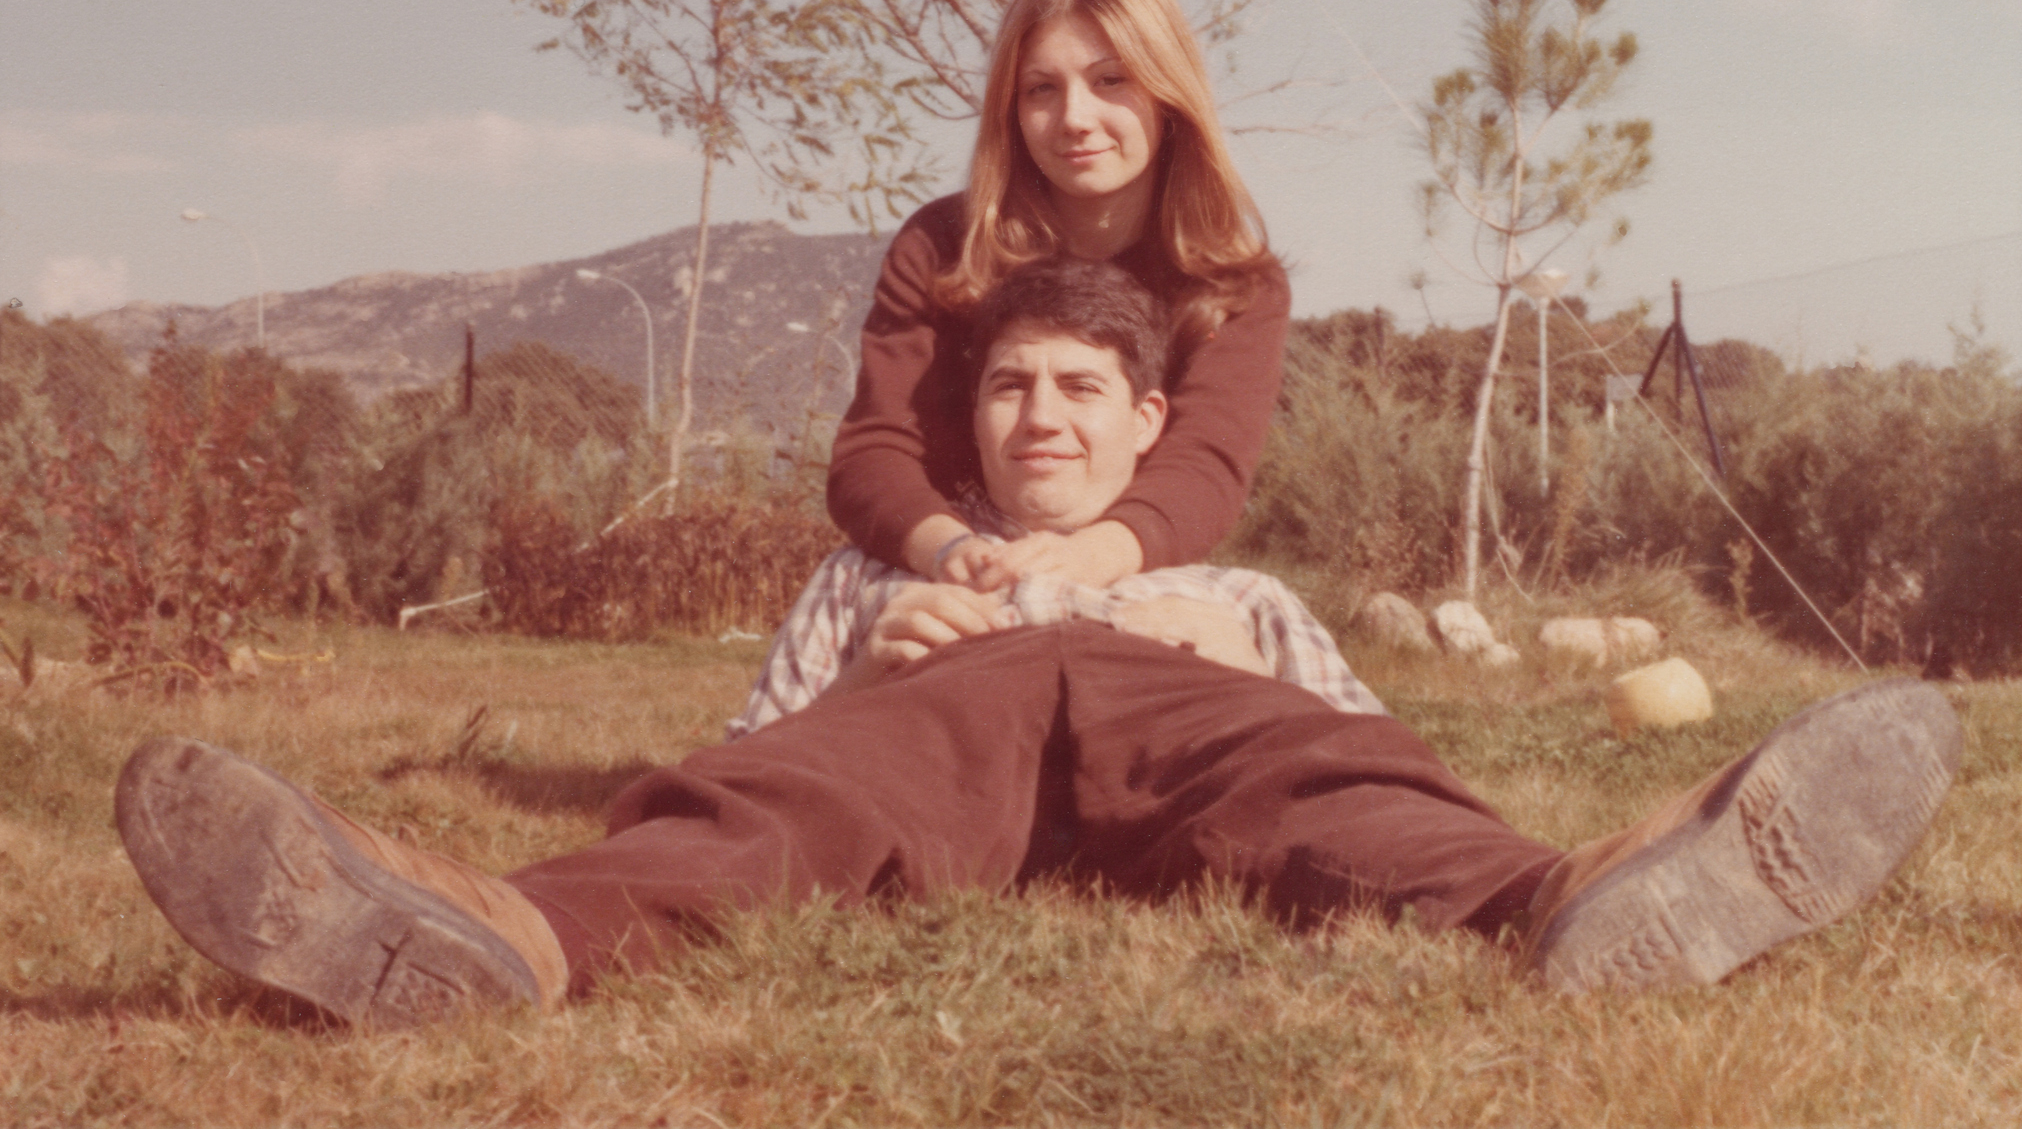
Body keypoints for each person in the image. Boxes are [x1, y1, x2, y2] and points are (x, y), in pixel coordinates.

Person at [116, 260, 1962, 1029]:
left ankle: (1562, 901)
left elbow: (1354, 762)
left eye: (1084, 385)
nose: (1043, 416)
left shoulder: (1235, 591)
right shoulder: (868, 577)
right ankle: (508, 931)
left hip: (1186, 747)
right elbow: (752, 764)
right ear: (969, 417)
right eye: (1009, 384)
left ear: (1149, 421)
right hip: (935, 751)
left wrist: (1202, 645)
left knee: (1291, 757)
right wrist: (876, 667)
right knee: (811, 777)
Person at [826, 0, 1289, 595]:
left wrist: (1082, 564)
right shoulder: (941, 248)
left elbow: (1205, 466)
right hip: (952, 572)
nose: (1075, 118)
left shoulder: (1236, 286)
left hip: (1137, 572)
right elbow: (873, 454)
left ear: (1168, 93)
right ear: (1010, 111)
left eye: (1111, 80)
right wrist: (955, 555)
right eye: (1041, 88)